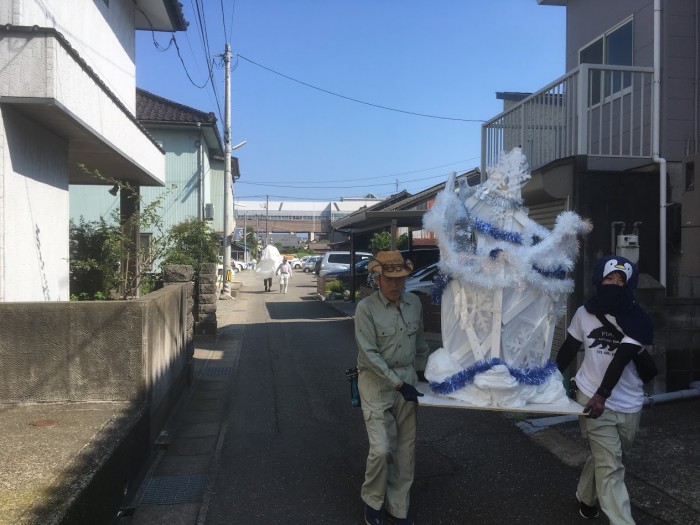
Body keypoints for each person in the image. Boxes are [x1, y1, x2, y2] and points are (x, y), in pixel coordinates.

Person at [556, 255, 654, 524]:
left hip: (629, 400)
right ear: (599, 280)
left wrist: (605, 393)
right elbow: (568, 349)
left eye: (620, 280)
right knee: (611, 466)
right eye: (609, 278)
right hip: (591, 397)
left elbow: (622, 358)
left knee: (610, 457)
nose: (614, 284)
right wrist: (550, 378)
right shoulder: (584, 313)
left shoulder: (638, 318)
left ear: (629, 284)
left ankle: (586, 496)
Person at [354, 251, 431, 525]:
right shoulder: (365, 309)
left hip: (407, 380)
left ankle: (397, 506)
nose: (396, 285)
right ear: (378, 278)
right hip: (376, 383)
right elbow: (369, 355)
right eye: (390, 279)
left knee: (405, 450)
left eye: (401, 279)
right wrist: (398, 384)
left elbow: (420, 343)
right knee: (382, 448)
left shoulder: (414, 304)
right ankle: (373, 501)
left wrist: (424, 374)